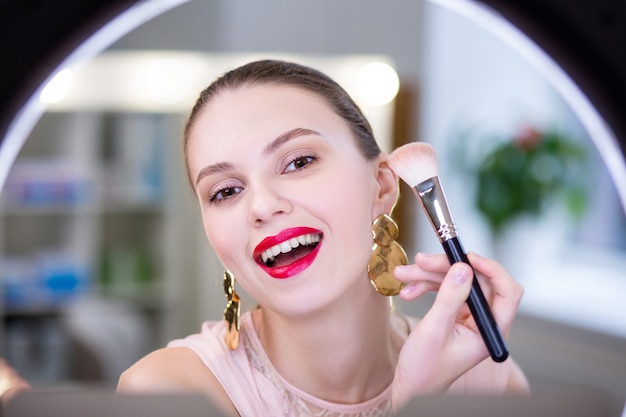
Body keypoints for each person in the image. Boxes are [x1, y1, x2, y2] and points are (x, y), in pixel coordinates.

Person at [117, 59, 529, 416]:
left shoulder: (486, 377)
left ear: (383, 185)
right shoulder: (167, 392)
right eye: (225, 191)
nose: (261, 206)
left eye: (298, 161)